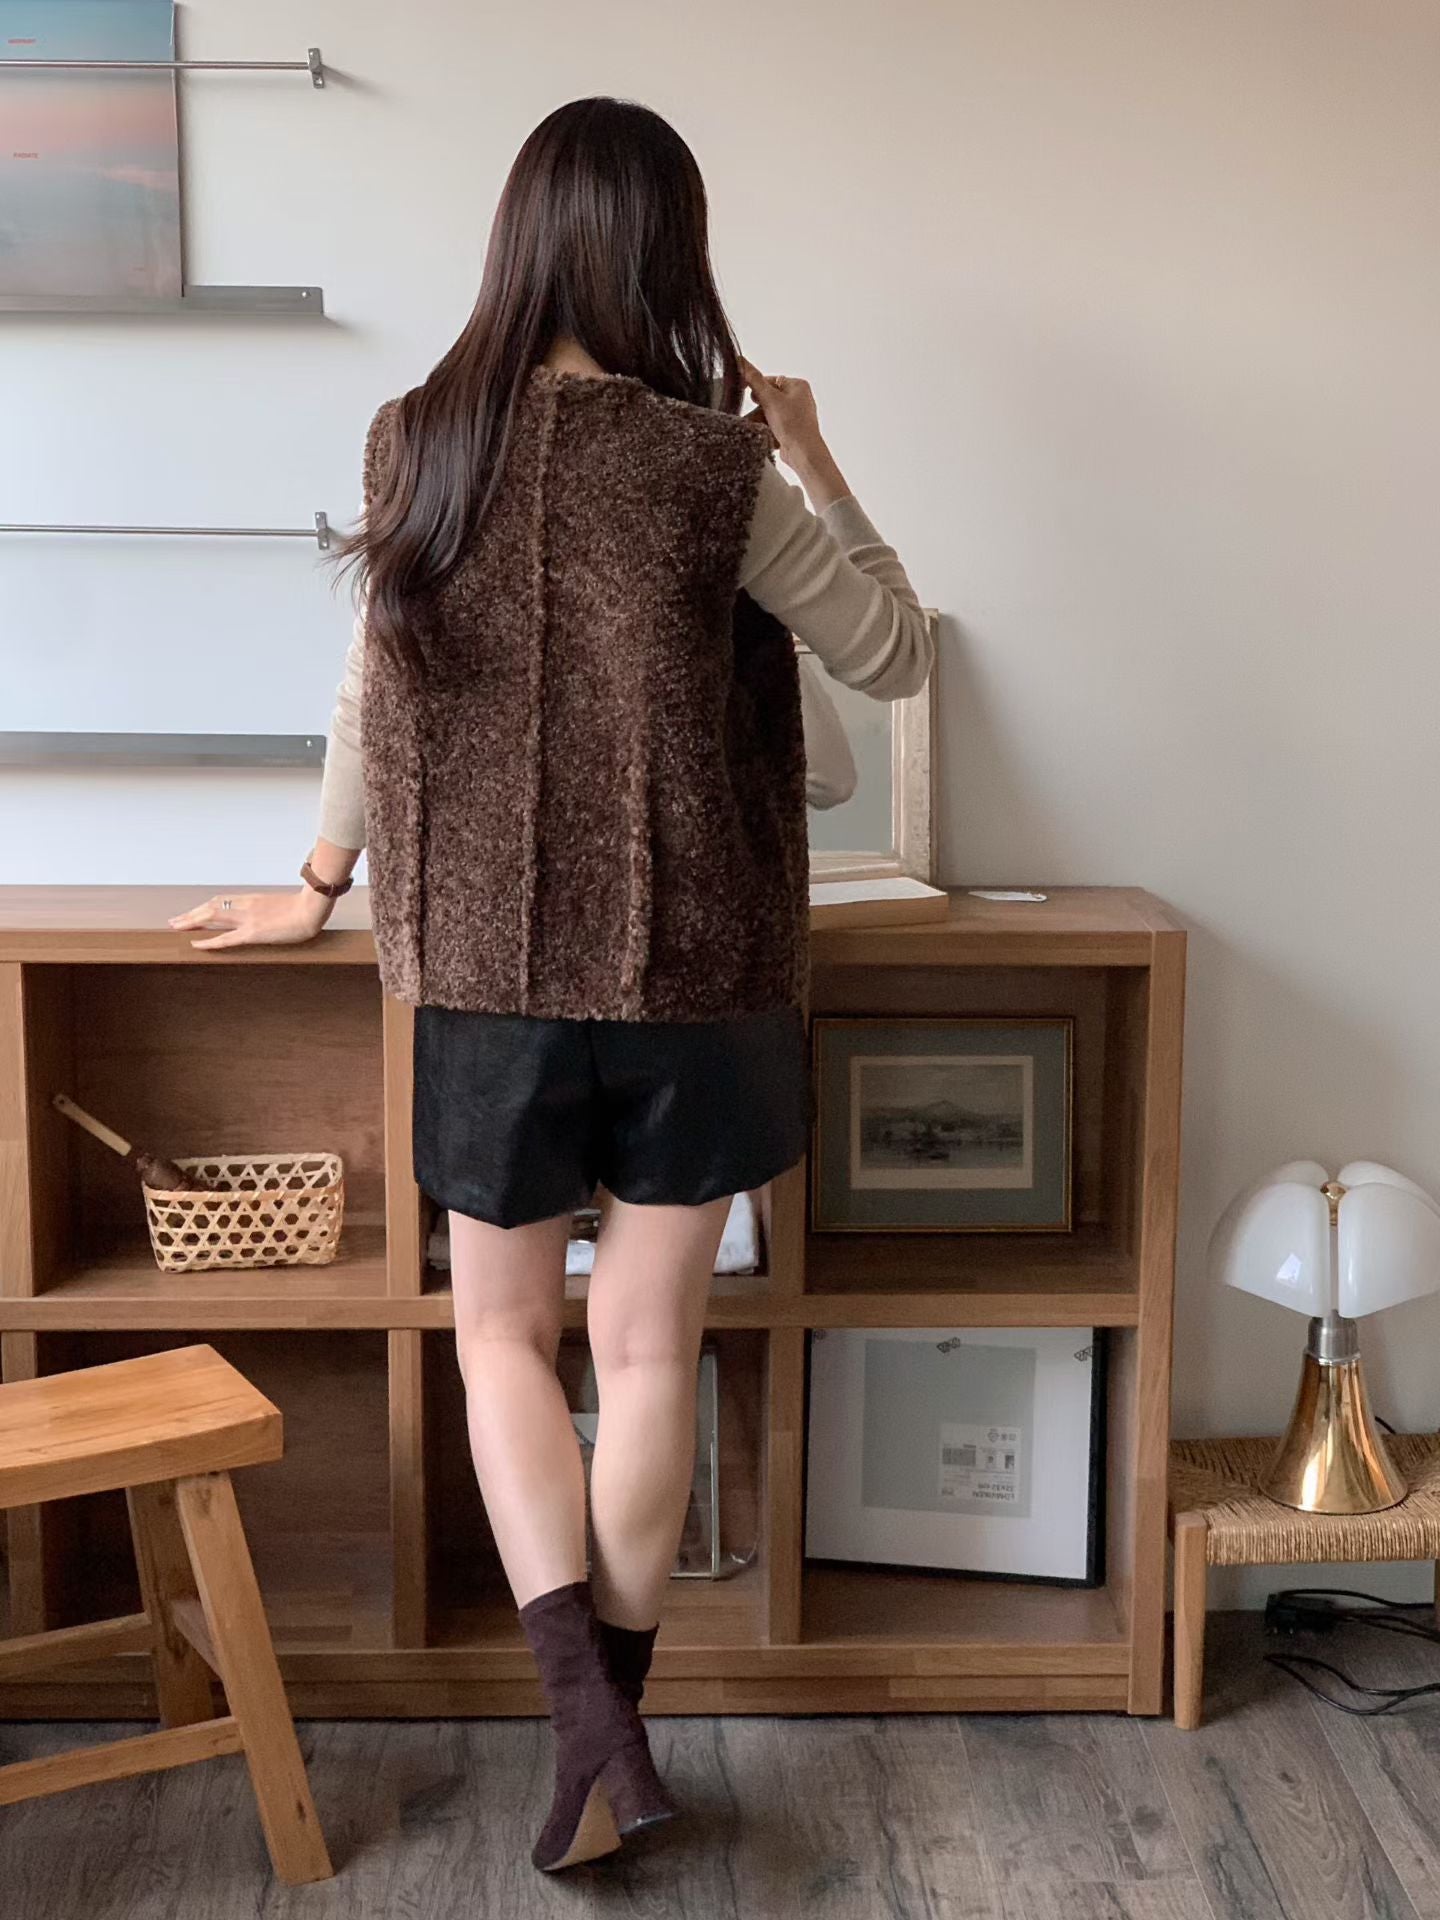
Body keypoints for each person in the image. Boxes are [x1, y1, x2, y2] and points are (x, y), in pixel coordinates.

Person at [170, 95, 933, 1873]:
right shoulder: (714, 467)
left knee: (501, 1337)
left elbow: (371, 691)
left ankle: (590, 1734)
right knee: (648, 1345)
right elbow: (892, 655)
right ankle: (612, 1741)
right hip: (701, 972)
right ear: (669, 254)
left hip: (489, 975)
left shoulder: (417, 442)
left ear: (520, 242)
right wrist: (819, 458)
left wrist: (314, 887)